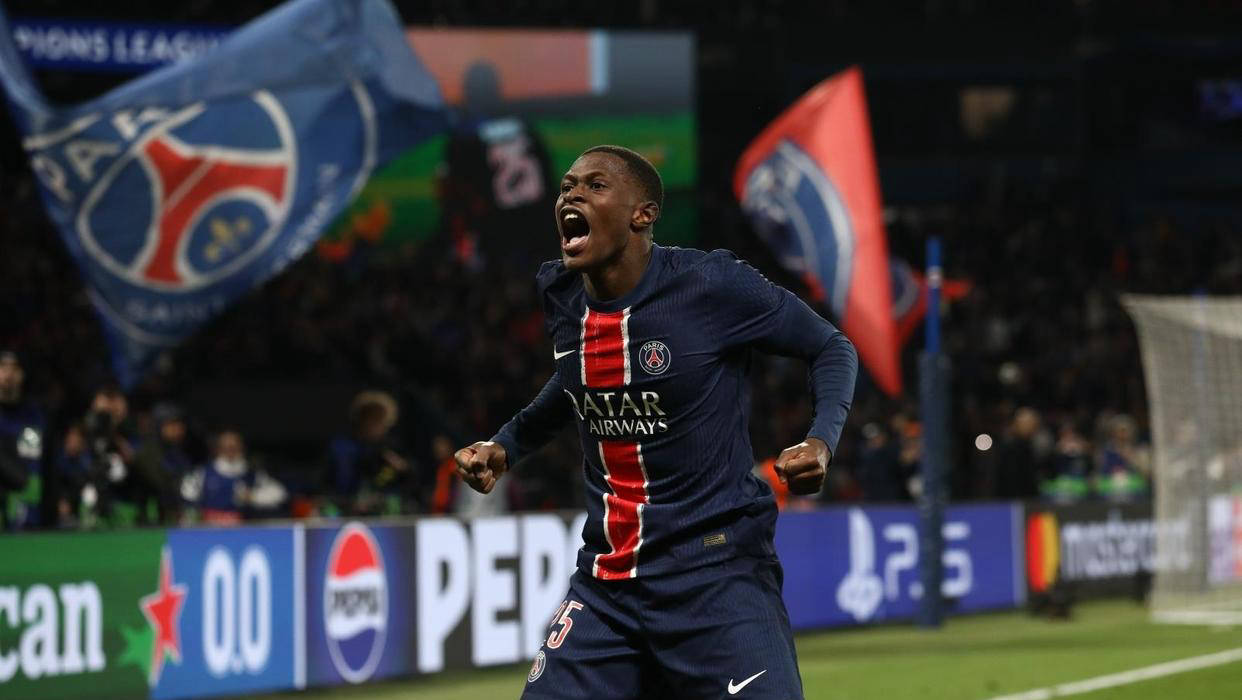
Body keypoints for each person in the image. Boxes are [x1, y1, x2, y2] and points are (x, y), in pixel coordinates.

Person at [453, 145, 857, 699]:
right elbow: (576, 379)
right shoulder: (561, 294)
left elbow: (831, 347)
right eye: (567, 186)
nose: (572, 194)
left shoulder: (710, 284)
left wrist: (820, 441)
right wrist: (506, 445)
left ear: (642, 215)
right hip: (607, 585)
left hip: (716, 573)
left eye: (595, 186)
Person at [324, 391, 413, 516]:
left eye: (383, 422)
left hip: (381, 509)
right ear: (363, 420)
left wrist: (402, 469)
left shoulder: (390, 449)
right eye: (375, 420)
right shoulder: (342, 448)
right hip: (345, 507)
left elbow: (399, 482)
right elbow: (336, 483)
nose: (381, 427)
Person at [181, 429, 286, 525]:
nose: (230, 451)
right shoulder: (202, 473)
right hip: (210, 529)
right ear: (218, 448)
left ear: (241, 447)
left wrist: (253, 496)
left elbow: (279, 494)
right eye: (226, 447)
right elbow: (188, 498)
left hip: (242, 529)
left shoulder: (252, 474)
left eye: (234, 447)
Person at [0, 350, 47, 529]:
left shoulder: (33, 416)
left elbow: (31, 469)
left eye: (14, 368)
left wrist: (26, 519)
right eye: (3, 367)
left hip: (21, 517)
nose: (8, 374)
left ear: (22, 375)